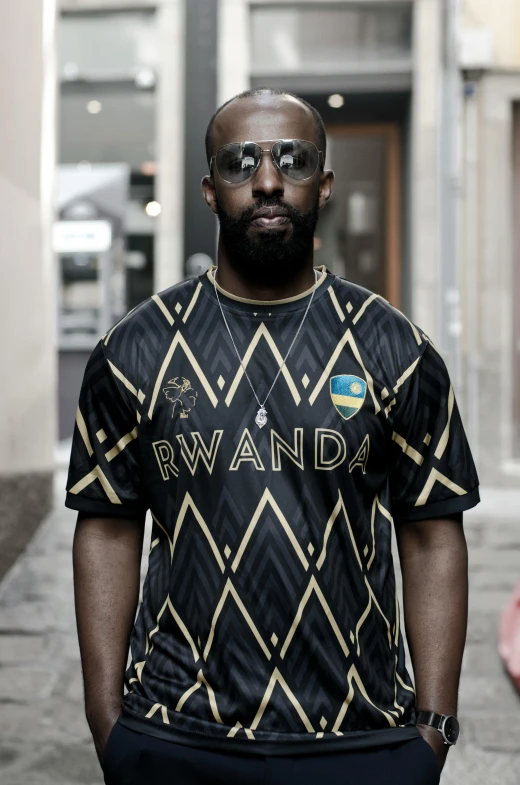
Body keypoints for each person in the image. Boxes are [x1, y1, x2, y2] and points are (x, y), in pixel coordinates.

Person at [67, 88, 479, 785]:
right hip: (176, 731)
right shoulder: (133, 350)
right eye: (239, 162)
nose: (265, 180)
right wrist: (108, 722)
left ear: (322, 182)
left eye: (291, 159)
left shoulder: (394, 348)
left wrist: (432, 728)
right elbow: (107, 528)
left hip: (360, 734)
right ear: (208, 188)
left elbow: (432, 533)